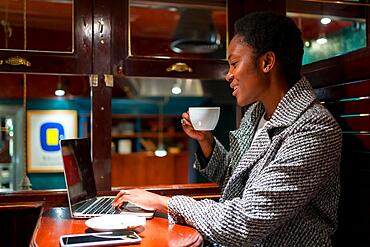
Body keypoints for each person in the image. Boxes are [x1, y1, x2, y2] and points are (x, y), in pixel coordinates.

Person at [113, 11, 342, 246]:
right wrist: (206, 142)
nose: (228, 75)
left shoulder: (313, 129)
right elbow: (236, 180)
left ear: (267, 62)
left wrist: (164, 202)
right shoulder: (257, 113)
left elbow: (246, 220)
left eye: (234, 64)